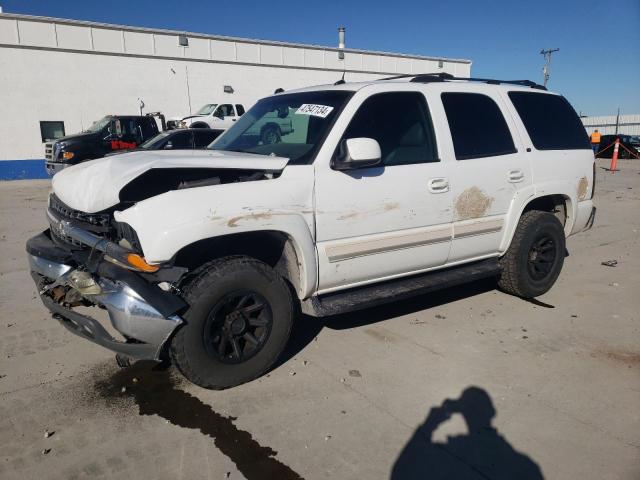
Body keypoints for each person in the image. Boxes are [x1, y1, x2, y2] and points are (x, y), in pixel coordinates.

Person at [391, 387, 544, 479]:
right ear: (491, 412)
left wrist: (429, 423)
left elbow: (401, 472)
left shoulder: (447, 458)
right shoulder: (525, 466)